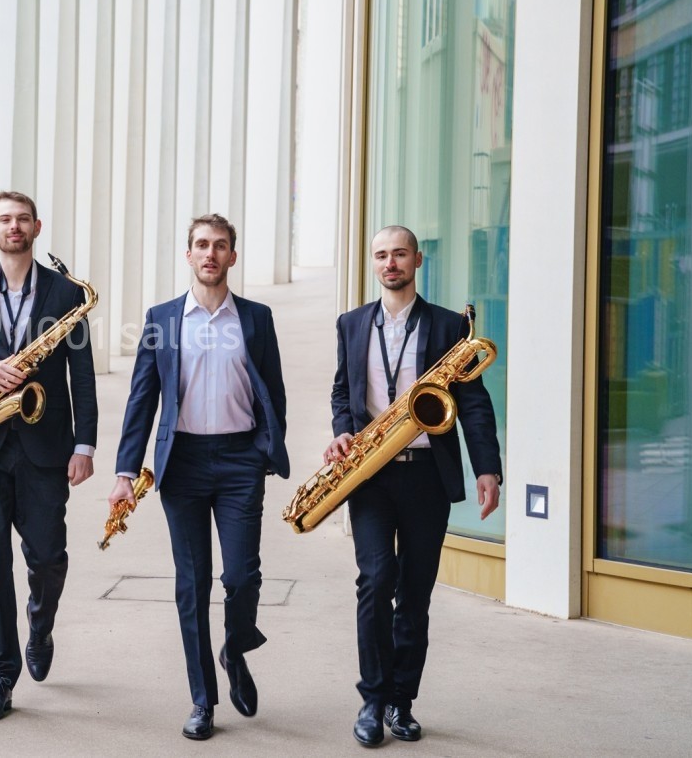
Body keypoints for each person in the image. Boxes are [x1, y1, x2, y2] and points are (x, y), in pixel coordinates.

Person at [110, 213, 289, 741]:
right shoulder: (163, 319)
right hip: (182, 464)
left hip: (239, 463)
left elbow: (272, 393)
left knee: (241, 577)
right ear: (188, 255)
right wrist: (125, 469)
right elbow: (143, 397)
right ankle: (202, 699)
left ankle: (235, 649)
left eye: (220, 246)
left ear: (232, 257)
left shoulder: (255, 318)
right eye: (201, 245)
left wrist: (261, 451)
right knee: (192, 585)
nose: (210, 254)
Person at [324, 225, 501, 747]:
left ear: (417, 260)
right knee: (376, 581)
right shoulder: (351, 323)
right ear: (373, 263)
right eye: (381, 255)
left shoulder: (448, 326)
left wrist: (487, 467)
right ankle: (372, 699)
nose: (390, 263)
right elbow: (342, 390)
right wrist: (341, 432)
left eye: (399, 253)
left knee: (415, 592)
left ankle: (402, 702)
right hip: (371, 475)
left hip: (427, 474)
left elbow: (474, 402)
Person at [0, 191, 98, 721]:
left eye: (22, 219)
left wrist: (85, 444)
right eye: (4, 219)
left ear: (36, 227)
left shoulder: (67, 292)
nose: (14, 227)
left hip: (46, 444)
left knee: (48, 556)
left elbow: (83, 375)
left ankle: (41, 622)